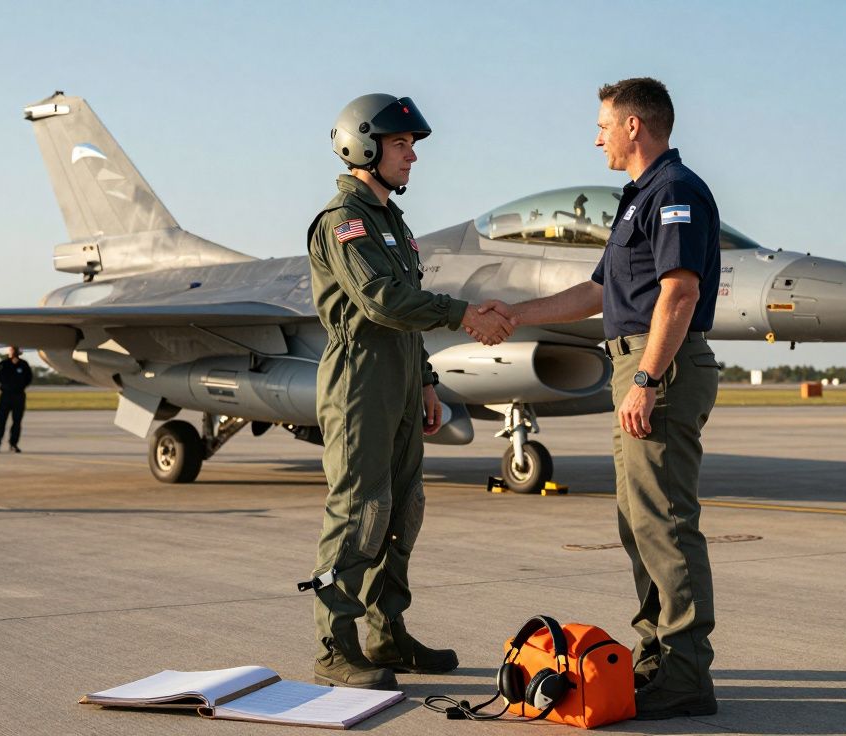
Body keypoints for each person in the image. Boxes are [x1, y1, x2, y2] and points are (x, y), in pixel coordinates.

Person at [473, 78, 722, 719]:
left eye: (604, 124)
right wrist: (517, 313)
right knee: (637, 522)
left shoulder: (674, 192)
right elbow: (599, 293)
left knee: (664, 521)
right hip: (637, 361)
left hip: (657, 364)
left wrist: (646, 379)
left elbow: (680, 293)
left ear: (634, 126)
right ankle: (657, 658)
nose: (598, 136)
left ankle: (687, 673)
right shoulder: (639, 198)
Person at [303, 93, 514, 690]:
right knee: (357, 513)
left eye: (412, 146)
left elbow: (404, 321)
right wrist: (466, 313)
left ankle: (387, 633)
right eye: (402, 145)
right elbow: (383, 301)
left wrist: (425, 381)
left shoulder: (390, 221)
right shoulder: (343, 221)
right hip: (359, 385)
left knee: (402, 509)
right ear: (362, 145)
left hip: (398, 381)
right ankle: (334, 645)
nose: (412, 156)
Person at [0, 345, 33, 453]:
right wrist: (7, 385)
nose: (13, 352)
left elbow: (29, 378)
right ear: (8, 351)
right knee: (1, 421)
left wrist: (20, 386)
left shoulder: (23, 364)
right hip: (6, 395)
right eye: (12, 350)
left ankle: (13, 444)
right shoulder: (4, 364)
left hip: (18, 396)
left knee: (17, 422)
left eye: (15, 350)